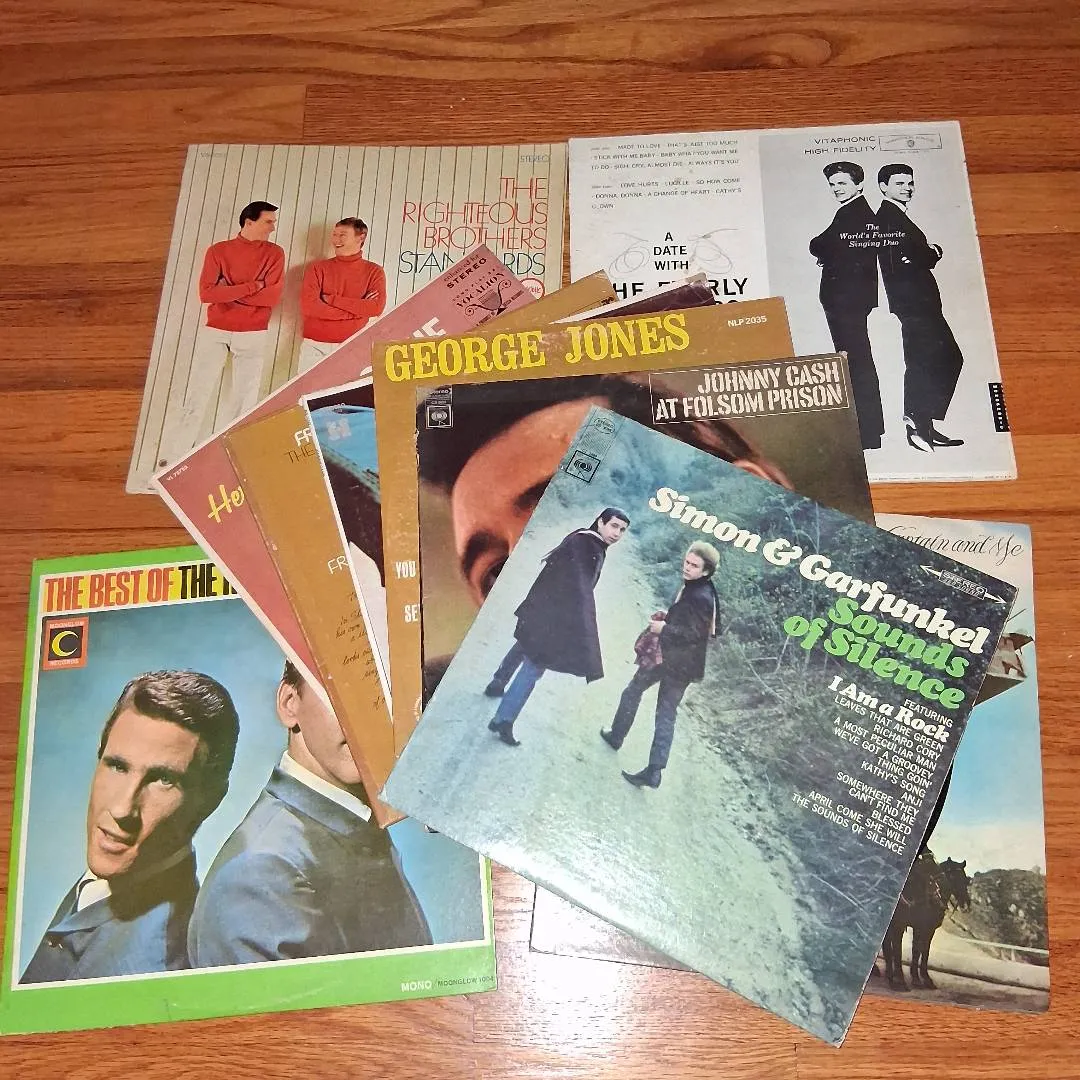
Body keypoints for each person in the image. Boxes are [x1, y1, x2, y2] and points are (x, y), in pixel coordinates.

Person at [188, 660, 431, 966]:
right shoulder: (258, 874)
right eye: (345, 691)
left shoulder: (352, 823)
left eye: (387, 696)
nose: (370, 717)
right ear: (290, 704)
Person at [21, 671, 240, 982]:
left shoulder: (151, 966)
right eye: (117, 766)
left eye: (163, 779)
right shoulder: (112, 878)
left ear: (211, 800)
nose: (122, 809)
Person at [483, 507, 630, 746]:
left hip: (541, 607)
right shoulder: (589, 547)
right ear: (600, 522)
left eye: (622, 530)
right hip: (552, 615)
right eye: (614, 526)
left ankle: (498, 682)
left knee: (525, 644)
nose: (617, 533)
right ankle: (503, 720)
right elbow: (580, 592)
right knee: (534, 667)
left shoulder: (584, 539)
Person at [162, 200, 285, 465]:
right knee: (197, 395)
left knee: (245, 401)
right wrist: (254, 286)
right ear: (249, 222)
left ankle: (232, 460)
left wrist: (227, 291)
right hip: (216, 331)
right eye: (268, 222)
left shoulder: (275, 253)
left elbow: (271, 298)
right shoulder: (218, 251)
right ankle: (174, 460)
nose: (273, 228)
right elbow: (207, 294)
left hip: (253, 333)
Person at [600, 542, 720, 789]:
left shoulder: (700, 596)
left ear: (706, 571)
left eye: (694, 565)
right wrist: (671, 617)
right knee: (666, 713)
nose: (687, 567)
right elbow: (703, 627)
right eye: (687, 562)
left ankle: (616, 737)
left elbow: (695, 634)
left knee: (634, 691)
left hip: (670, 658)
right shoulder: (705, 590)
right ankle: (653, 772)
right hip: (685, 664)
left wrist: (664, 628)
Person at [875, 164, 965, 452]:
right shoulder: (888, 217)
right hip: (913, 302)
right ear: (883, 187)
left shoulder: (896, 217)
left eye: (910, 183)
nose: (907, 188)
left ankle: (922, 423)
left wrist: (921, 255)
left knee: (934, 358)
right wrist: (932, 251)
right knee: (935, 358)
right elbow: (908, 258)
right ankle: (916, 422)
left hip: (918, 301)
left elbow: (910, 256)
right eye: (899, 183)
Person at [809, 161, 884, 450]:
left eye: (842, 183)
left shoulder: (854, 213)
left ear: (859, 184)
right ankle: (869, 432)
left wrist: (825, 252)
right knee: (857, 360)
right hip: (849, 300)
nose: (836, 189)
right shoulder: (853, 213)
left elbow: (819, 244)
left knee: (854, 362)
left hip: (846, 301)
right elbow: (833, 248)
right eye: (832, 184)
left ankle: (866, 433)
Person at [297, 217, 387, 373]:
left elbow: (375, 308)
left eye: (342, 235)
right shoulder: (317, 268)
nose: (336, 240)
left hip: (354, 346)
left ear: (361, 238)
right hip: (315, 345)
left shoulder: (374, 271)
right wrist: (357, 311)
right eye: (335, 234)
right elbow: (309, 307)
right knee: (307, 389)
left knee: (353, 389)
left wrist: (331, 299)